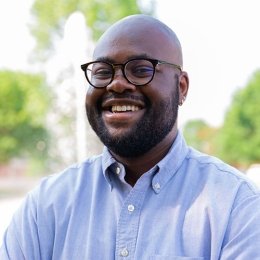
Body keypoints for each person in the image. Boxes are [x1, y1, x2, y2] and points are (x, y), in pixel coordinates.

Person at [1, 14, 260, 260]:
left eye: (140, 69)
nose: (116, 84)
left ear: (181, 87)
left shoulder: (235, 205)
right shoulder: (46, 207)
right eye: (102, 72)